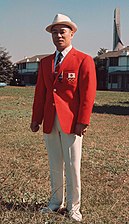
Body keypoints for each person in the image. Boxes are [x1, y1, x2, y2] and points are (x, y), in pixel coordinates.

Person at [30, 13, 96, 222]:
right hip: (50, 120)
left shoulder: (83, 60)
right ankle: (55, 202)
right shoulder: (45, 62)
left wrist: (82, 121)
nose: (59, 35)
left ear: (72, 33)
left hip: (72, 122)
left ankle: (74, 207)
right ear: (51, 36)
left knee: (72, 165)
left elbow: (88, 94)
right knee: (55, 163)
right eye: (55, 32)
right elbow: (40, 93)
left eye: (63, 31)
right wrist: (36, 119)